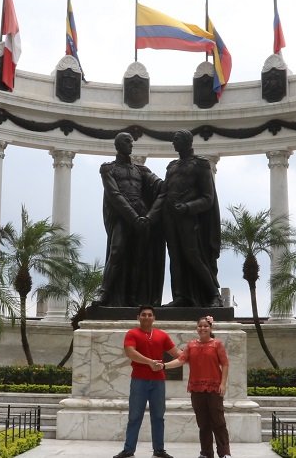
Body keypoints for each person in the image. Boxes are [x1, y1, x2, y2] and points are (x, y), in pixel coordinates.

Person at [98, 132, 164, 306]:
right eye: (127, 141)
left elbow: (159, 185)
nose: (131, 145)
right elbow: (114, 195)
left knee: (139, 257)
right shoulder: (108, 169)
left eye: (132, 142)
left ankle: (134, 297)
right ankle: (104, 293)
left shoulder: (140, 170)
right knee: (116, 251)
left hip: (141, 217)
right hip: (123, 217)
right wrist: (133, 217)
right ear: (118, 144)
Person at [158, 130, 222, 307]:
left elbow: (208, 198)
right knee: (175, 257)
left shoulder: (201, 164)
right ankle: (181, 296)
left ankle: (214, 295)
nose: (173, 143)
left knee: (193, 256)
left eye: (176, 139)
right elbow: (163, 193)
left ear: (187, 141)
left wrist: (187, 207)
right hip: (170, 218)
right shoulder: (171, 166)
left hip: (189, 219)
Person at [115, 305, 180, 458]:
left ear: (154, 318)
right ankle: (128, 450)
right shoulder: (132, 333)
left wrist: (194, 351)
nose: (146, 317)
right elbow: (131, 352)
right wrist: (150, 362)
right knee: (135, 415)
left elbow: (177, 353)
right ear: (138, 317)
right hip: (139, 380)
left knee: (158, 416)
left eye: (149, 315)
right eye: (143, 314)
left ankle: (159, 450)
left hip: (158, 381)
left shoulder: (162, 335)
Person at [164, 316, 231, 458]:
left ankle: (224, 453)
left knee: (218, 421)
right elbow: (180, 360)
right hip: (196, 389)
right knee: (203, 423)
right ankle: (206, 453)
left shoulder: (217, 344)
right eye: (200, 326)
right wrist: (164, 366)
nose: (202, 328)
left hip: (214, 388)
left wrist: (223, 384)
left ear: (210, 328)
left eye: (205, 326)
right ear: (197, 328)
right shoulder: (191, 345)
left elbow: (225, 364)